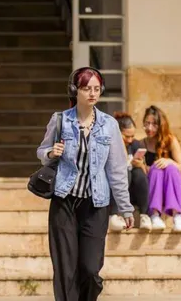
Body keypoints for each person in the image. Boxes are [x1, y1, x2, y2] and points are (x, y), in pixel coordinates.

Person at [36, 67, 133, 301]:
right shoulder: (60, 120)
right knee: (65, 271)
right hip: (64, 202)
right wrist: (50, 152)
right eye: (86, 88)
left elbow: (117, 169)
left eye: (96, 89)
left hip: (96, 205)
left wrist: (125, 207)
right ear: (75, 90)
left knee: (90, 269)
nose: (92, 93)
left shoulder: (109, 125)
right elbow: (41, 150)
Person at [140, 105, 181, 232]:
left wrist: (169, 161)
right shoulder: (141, 144)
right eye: (147, 123)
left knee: (171, 168)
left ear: (161, 125)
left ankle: (177, 216)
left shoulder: (170, 141)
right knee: (156, 168)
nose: (149, 128)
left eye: (154, 124)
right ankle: (155, 215)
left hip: (177, 191)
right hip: (155, 192)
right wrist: (142, 166)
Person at [108, 112, 152, 231]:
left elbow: (145, 173)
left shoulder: (135, 145)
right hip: (113, 191)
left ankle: (144, 215)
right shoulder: (109, 145)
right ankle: (114, 215)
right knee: (123, 172)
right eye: (126, 136)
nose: (130, 140)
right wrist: (127, 164)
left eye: (132, 136)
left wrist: (141, 165)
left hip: (131, 191)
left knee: (138, 172)